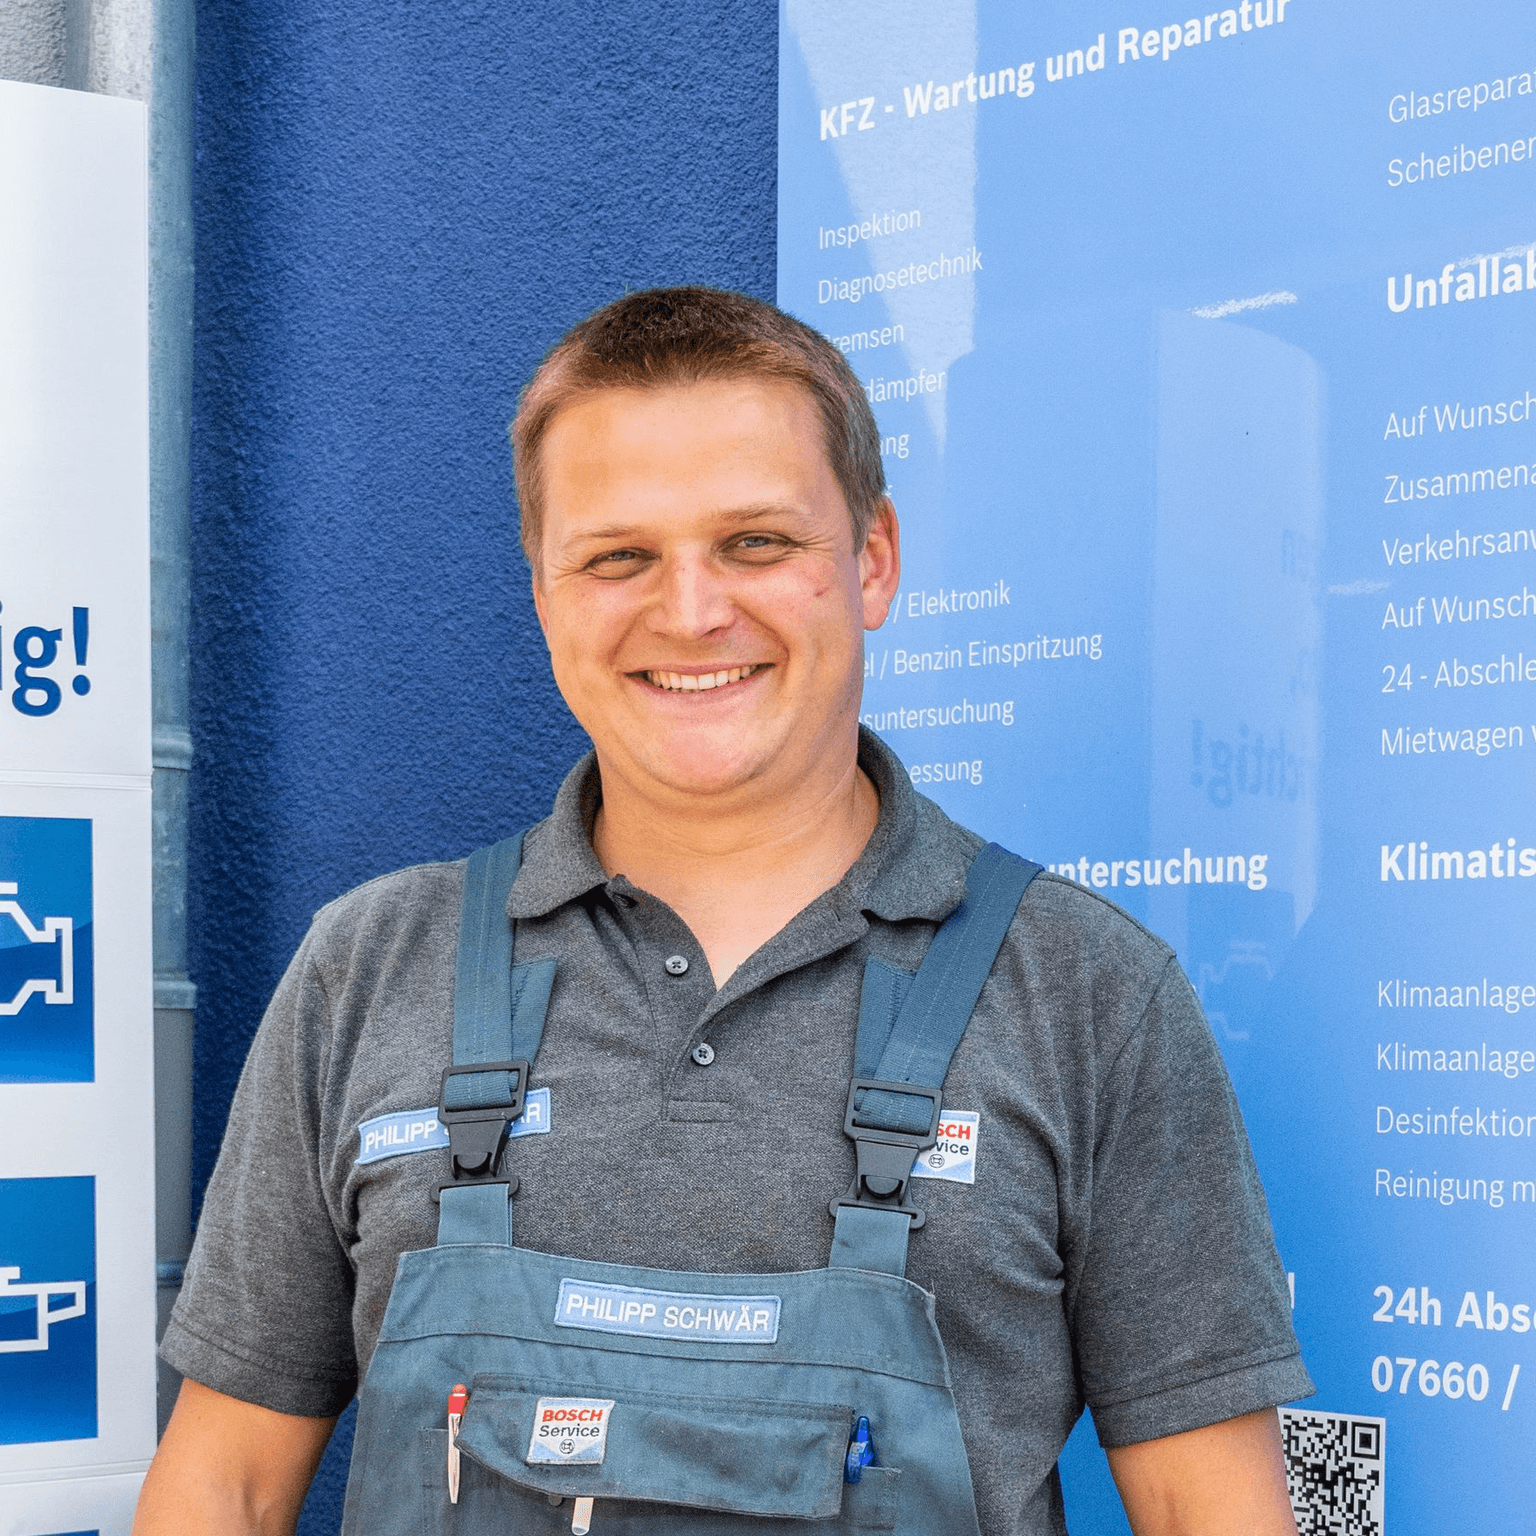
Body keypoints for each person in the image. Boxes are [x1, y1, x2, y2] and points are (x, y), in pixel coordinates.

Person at [135, 286, 1310, 1536]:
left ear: (872, 561)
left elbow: (1209, 1512)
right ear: (544, 593)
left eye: (755, 542)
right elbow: (225, 1489)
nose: (692, 612)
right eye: (618, 557)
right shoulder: (368, 968)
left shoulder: (1089, 994)